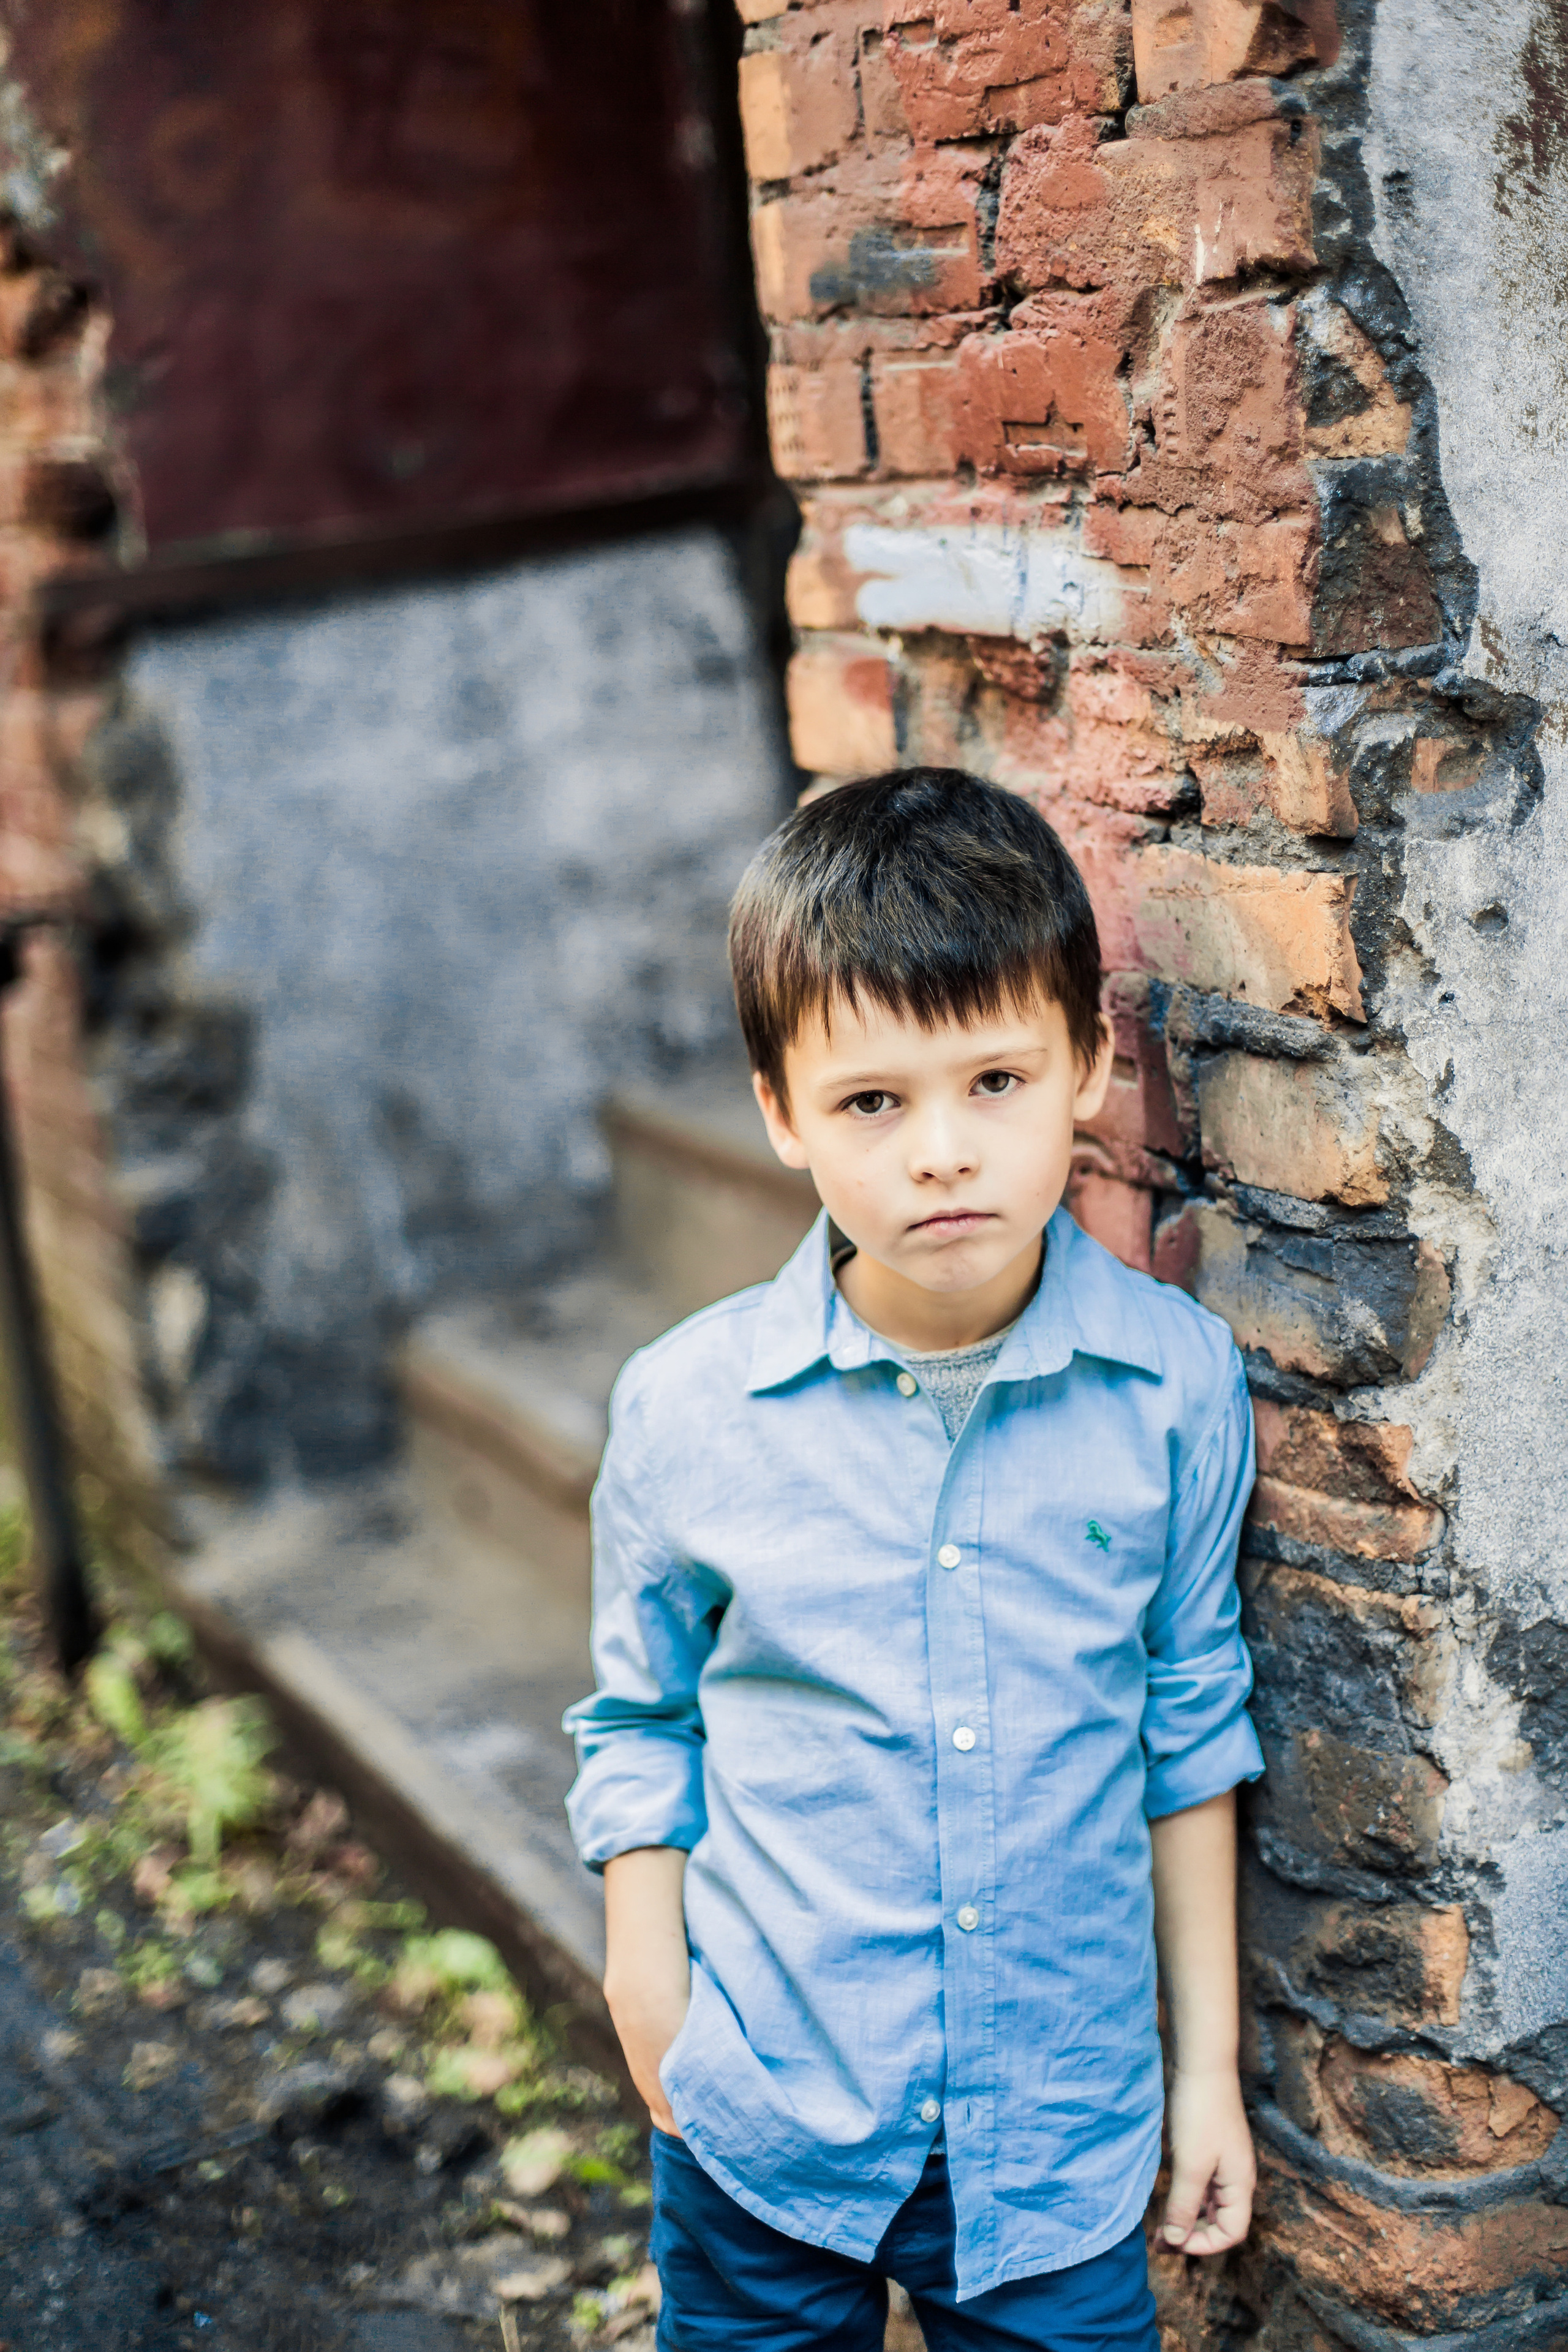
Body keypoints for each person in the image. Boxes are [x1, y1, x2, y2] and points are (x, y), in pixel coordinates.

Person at [564, 768, 1264, 2351]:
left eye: (995, 1081)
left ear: (1090, 1065)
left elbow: (1191, 1725)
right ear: (781, 1114)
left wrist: (1204, 2076)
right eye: (873, 1102)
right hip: (764, 2116)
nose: (941, 1153)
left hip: (1060, 2147)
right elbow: (639, 1719)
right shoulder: (688, 1411)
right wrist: (645, 1987)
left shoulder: (1176, 1391)